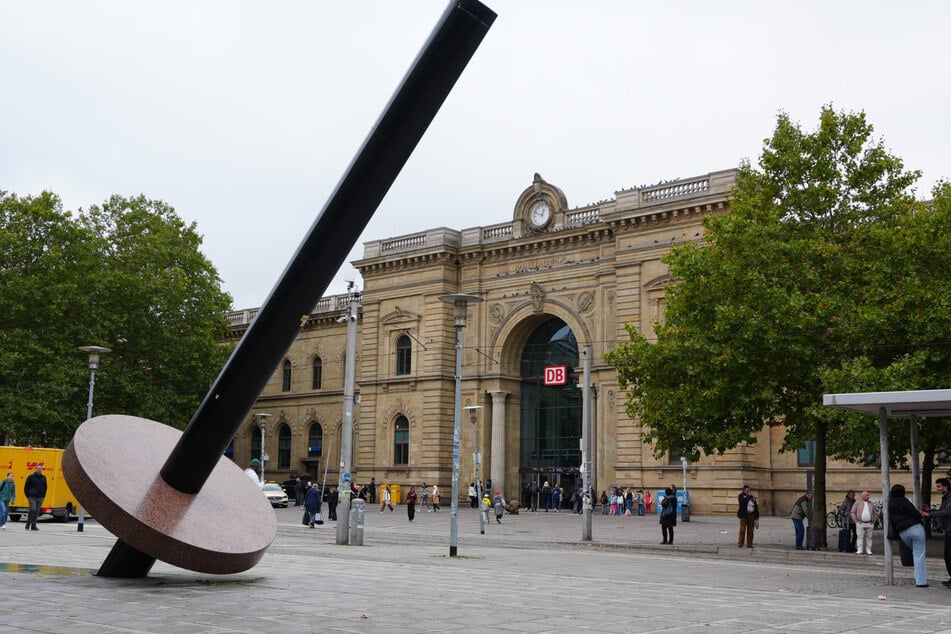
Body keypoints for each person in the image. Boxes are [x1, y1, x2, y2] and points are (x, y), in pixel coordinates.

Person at [890, 483, 928, 587]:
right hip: (915, 528)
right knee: (919, 555)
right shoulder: (905, 501)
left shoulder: (890, 504)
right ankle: (921, 582)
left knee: (915, 552)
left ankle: (920, 579)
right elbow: (914, 513)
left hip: (902, 532)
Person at [928, 478, 951, 587]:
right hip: (948, 530)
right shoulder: (946, 498)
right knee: (947, 556)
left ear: (945, 487)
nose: (937, 489)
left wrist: (930, 515)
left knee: (949, 555)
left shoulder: (950, 498)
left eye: (939, 486)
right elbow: (942, 511)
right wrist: (930, 511)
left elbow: (947, 512)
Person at [850, 490, 879, 555]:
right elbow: (852, 512)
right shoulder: (857, 503)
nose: (869, 497)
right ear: (863, 496)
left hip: (869, 523)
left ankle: (868, 550)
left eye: (868, 495)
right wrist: (856, 521)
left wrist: (874, 520)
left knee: (869, 537)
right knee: (860, 536)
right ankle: (860, 549)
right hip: (860, 523)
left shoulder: (871, 503)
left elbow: (875, 513)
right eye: (867, 495)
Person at [24, 464, 47, 531]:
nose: (39, 470)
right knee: (32, 509)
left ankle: (34, 526)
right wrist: (28, 495)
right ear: (35, 469)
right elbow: (26, 487)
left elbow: (45, 487)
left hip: (40, 497)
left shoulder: (44, 477)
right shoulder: (31, 477)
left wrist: (43, 495)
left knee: (37, 511)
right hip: (32, 497)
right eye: (38, 468)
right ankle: (28, 523)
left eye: (40, 468)